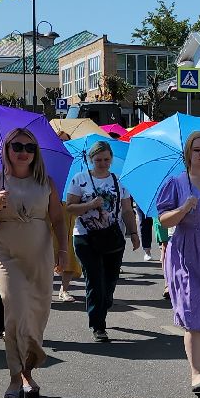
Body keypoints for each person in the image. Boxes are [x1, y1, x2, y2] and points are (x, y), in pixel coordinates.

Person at [0, 128, 66, 398]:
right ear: (7, 149)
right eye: (17, 146)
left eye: (29, 146)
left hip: (40, 255)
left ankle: (28, 372)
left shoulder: (46, 182)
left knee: (36, 315)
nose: (23, 151)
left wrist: (62, 251)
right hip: (7, 254)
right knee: (14, 309)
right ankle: (15, 378)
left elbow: (58, 220)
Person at [64, 139, 138, 342]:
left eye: (106, 159)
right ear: (91, 160)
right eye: (98, 160)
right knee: (95, 280)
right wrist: (89, 205)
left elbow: (126, 210)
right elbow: (70, 208)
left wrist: (133, 233)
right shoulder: (80, 179)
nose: (103, 163)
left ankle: (104, 303)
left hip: (112, 237)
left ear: (111, 159)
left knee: (110, 281)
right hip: (85, 237)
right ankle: (98, 325)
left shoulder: (118, 181)